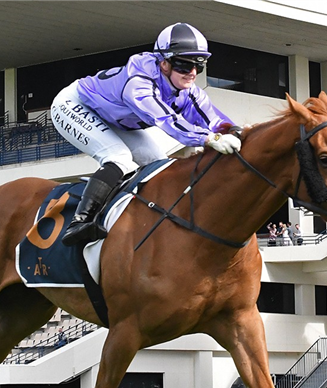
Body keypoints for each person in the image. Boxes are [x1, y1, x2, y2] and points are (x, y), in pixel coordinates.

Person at [51, 23, 238, 246]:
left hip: (115, 120)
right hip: (76, 104)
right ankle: (79, 223)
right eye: (185, 66)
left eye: (199, 66)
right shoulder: (139, 82)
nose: (193, 73)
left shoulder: (188, 91)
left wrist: (238, 132)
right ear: (164, 63)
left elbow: (214, 120)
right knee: (119, 159)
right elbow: (167, 121)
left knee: (160, 165)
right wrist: (211, 139)